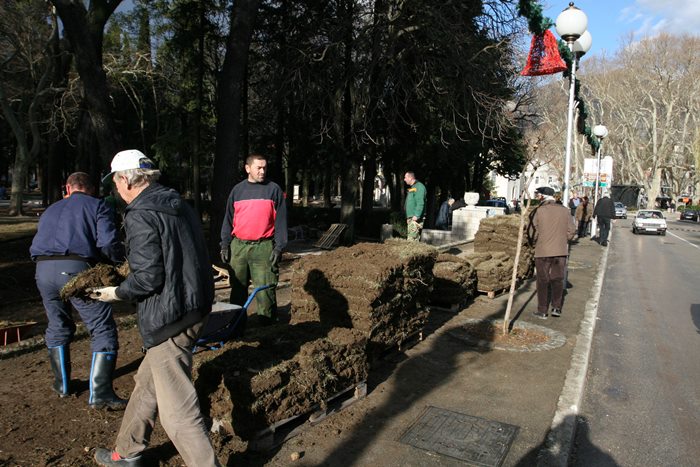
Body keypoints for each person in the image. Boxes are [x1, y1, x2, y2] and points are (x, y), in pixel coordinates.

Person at [89, 150, 219, 467]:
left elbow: (147, 277)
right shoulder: (178, 205)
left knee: (177, 414)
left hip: (169, 318)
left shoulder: (140, 213)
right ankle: (127, 451)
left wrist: (117, 292)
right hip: (194, 306)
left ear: (125, 179)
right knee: (147, 383)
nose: (116, 189)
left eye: (116, 181)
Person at [30, 172, 126, 409]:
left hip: (42, 270)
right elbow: (107, 242)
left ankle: (62, 385)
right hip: (76, 269)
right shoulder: (97, 206)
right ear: (91, 189)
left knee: (57, 324)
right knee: (101, 326)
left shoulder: (51, 209)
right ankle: (100, 394)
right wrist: (117, 263)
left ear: (68, 188)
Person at [220, 153, 287, 324]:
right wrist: (225, 244)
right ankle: (236, 327)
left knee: (265, 289)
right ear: (248, 168)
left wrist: (279, 247)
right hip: (239, 247)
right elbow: (228, 219)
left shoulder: (274, 190)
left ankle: (267, 327)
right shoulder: (237, 191)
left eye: (264, 167)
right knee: (237, 289)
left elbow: (280, 222)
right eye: (259, 168)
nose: (262, 171)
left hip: (263, 247)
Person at [531, 186, 576, 319]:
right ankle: (556, 308)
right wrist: (563, 240)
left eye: (538, 195)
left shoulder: (539, 211)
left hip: (543, 251)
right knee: (557, 279)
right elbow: (572, 230)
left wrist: (536, 242)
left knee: (542, 281)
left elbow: (533, 231)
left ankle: (542, 310)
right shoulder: (565, 211)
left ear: (543, 196)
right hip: (560, 250)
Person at [404, 171, 426, 241]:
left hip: (415, 218)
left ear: (410, 178)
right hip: (412, 217)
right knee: (413, 240)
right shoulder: (413, 187)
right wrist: (408, 217)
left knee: (411, 240)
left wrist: (417, 215)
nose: (404, 179)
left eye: (405, 177)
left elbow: (420, 202)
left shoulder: (419, 187)